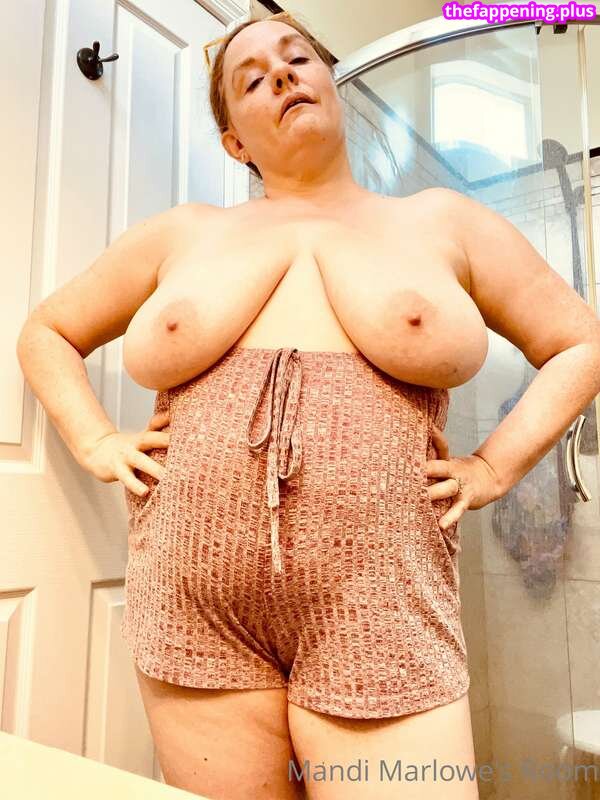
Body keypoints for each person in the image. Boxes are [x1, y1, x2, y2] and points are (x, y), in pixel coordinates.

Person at [16, 10, 600, 800]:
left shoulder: (441, 221)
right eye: (252, 78)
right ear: (235, 143)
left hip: (384, 598)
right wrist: (94, 440)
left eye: (297, 58)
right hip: (195, 599)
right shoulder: (183, 233)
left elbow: (579, 343)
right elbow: (47, 331)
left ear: (330, 80)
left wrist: (495, 466)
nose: (283, 75)